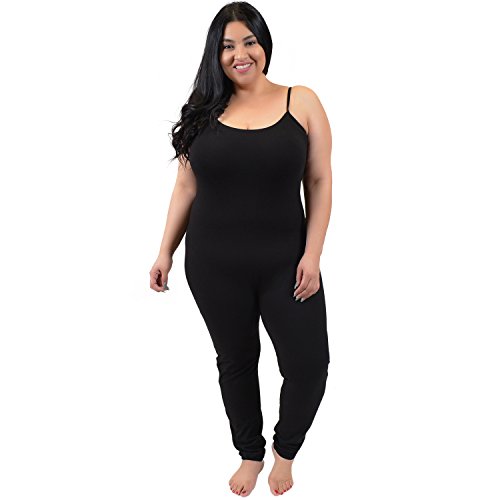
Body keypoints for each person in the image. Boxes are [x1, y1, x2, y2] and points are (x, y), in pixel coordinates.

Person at [149, 2, 332, 496]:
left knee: (309, 365)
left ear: (264, 44)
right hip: (214, 265)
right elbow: (186, 186)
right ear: (216, 54)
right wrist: (165, 251)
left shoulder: (301, 101)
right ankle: (250, 453)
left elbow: (318, 180)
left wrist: (312, 254)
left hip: (287, 263)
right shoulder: (203, 108)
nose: (240, 54)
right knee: (236, 361)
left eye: (248, 42)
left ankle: (285, 453)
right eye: (228, 46)